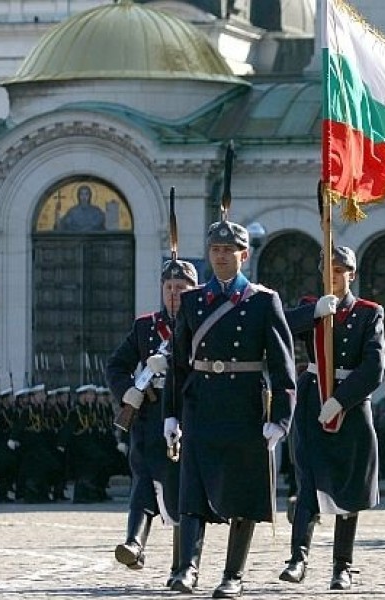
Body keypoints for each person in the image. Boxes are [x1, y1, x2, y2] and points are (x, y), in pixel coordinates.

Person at [163, 218, 296, 597]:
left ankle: (232, 575)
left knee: (243, 494)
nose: (220, 257)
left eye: (228, 251)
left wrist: (280, 419)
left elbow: (283, 365)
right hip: (201, 404)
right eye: (215, 250)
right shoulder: (192, 300)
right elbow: (177, 364)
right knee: (193, 490)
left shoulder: (262, 300)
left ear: (244, 254)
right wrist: (170, 414)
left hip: (245, 408)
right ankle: (187, 569)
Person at [278, 245, 385, 590]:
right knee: (307, 481)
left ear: (351, 274)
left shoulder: (370, 313)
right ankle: (298, 558)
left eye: (340, 270)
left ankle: (342, 565)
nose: (334, 276)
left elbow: (374, 366)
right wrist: (312, 315)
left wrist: (341, 400)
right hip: (312, 399)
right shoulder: (312, 306)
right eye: (328, 269)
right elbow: (279, 329)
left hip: (350, 404)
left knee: (349, 486)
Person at [106, 259, 198, 577]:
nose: (173, 294)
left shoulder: (201, 324)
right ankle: (134, 543)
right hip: (149, 414)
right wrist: (127, 391)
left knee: (180, 487)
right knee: (143, 477)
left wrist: (174, 364)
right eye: (169, 288)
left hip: (186, 414)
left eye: (181, 288)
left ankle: (183, 562)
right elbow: (116, 365)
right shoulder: (146, 326)